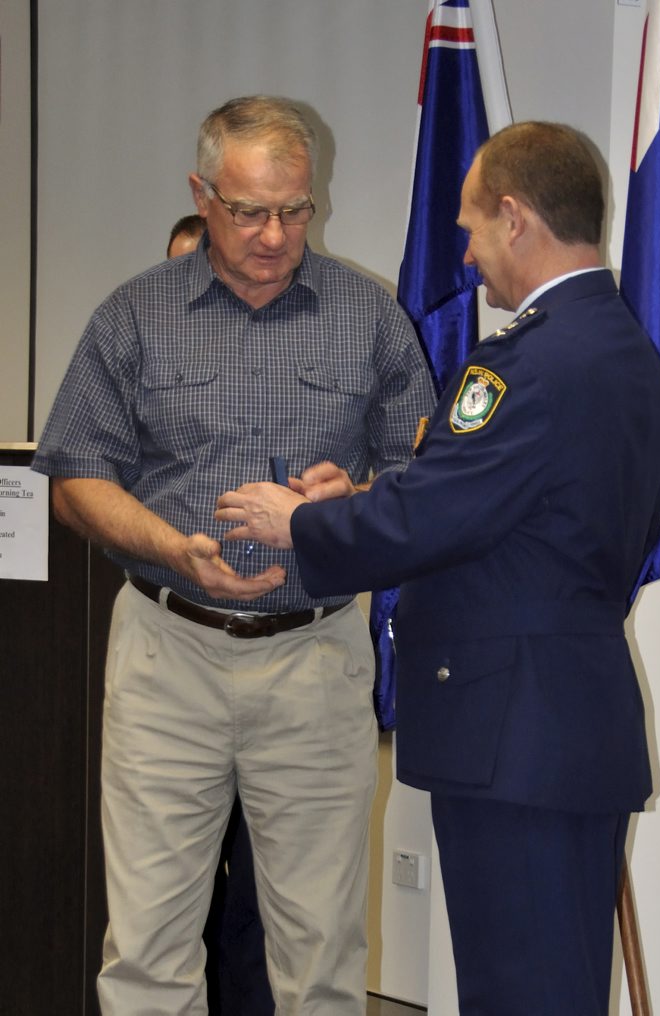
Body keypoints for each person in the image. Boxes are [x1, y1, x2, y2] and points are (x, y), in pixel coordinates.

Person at [215, 121, 660, 1016]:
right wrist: (358, 489)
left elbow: (433, 514)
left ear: (514, 217)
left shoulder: (533, 361)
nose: (464, 254)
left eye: (468, 227)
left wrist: (303, 520)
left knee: (519, 995)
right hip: (557, 725)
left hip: (517, 738)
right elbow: (500, 506)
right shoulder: (620, 351)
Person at [32, 95, 436, 1016]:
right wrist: (175, 546)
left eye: (295, 210)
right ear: (201, 194)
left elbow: (427, 482)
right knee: (146, 948)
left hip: (315, 655)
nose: (274, 234)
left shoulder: (367, 316)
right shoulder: (132, 317)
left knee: (322, 950)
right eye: (250, 210)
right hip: (167, 654)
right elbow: (75, 477)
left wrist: (353, 504)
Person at [165, 213, 273, 1015]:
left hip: (284, 662)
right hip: (175, 656)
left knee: (263, 910)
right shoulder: (139, 340)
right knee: (167, 909)